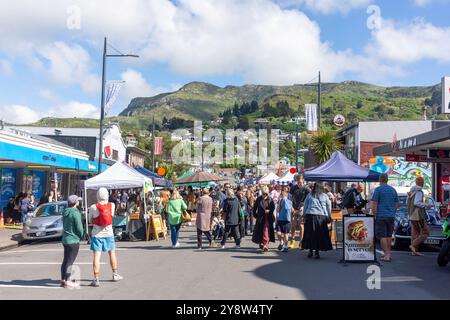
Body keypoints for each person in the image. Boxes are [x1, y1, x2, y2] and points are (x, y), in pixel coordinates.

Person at [88, 188, 123, 287]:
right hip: (109, 233)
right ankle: (115, 274)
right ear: (107, 195)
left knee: (96, 256)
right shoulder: (112, 205)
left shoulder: (93, 207)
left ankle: (96, 279)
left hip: (97, 234)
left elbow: (90, 220)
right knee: (112, 254)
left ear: (97, 196)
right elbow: (111, 216)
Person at [302, 181, 333, 259]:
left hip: (310, 215)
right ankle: (317, 252)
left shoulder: (309, 195)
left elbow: (305, 205)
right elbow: (329, 206)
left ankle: (310, 251)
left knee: (310, 234)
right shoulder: (325, 196)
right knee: (319, 235)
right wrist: (329, 215)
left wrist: (304, 215)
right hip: (321, 217)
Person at [371, 173, 399, 262]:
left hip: (381, 215)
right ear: (387, 180)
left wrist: (375, 214)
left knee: (382, 236)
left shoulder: (378, 190)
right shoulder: (393, 190)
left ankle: (386, 255)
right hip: (391, 216)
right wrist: (392, 212)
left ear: (380, 180)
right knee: (389, 235)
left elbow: (374, 204)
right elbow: (396, 204)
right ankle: (388, 254)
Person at [61, 195, 84, 289]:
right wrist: (82, 235)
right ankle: (68, 280)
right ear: (75, 202)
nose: (79, 202)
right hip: (73, 239)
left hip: (65, 239)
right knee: (70, 261)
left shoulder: (65, 211)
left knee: (66, 260)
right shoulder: (75, 212)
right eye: (78, 200)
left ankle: (63, 279)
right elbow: (79, 227)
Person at [407, 176, 432, 256]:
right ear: (422, 183)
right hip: (417, 215)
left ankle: (414, 251)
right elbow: (416, 203)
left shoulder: (411, 191)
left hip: (411, 215)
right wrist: (426, 205)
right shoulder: (419, 192)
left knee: (415, 232)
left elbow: (408, 203)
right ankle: (413, 245)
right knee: (426, 232)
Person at [252, 186, 276, 252]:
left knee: (266, 230)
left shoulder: (270, 199)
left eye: (266, 193)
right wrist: (255, 215)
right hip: (260, 217)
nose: (264, 195)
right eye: (263, 193)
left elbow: (273, 207)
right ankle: (261, 242)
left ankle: (265, 244)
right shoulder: (259, 199)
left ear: (268, 193)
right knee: (260, 230)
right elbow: (254, 208)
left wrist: (269, 210)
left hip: (268, 218)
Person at [289, 174, 310, 249]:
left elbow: (309, 199)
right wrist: (291, 207)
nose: (299, 184)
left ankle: (301, 242)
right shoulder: (293, 188)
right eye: (298, 182)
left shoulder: (306, 188)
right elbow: (290, 198)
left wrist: (304, 206)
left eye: (300, 182)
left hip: (302, 209)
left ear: (303, 181)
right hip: (294, 208)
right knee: (293, 225)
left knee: (301, 225)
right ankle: (293, 240)